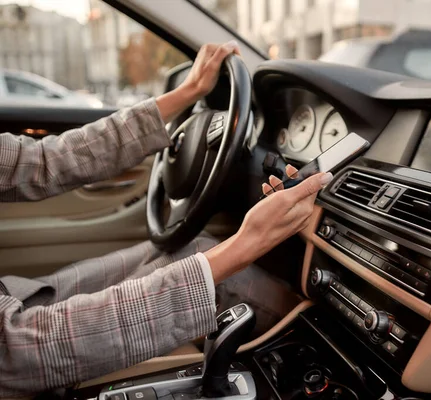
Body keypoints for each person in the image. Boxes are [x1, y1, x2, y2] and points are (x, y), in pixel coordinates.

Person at [0, 41, 332, 397]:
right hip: (16, 348)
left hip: (17, 299)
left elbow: (42, 162)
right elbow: (18, 350)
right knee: (225, 277)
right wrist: (244, 246)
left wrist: (189, 92)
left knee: (197, 250)